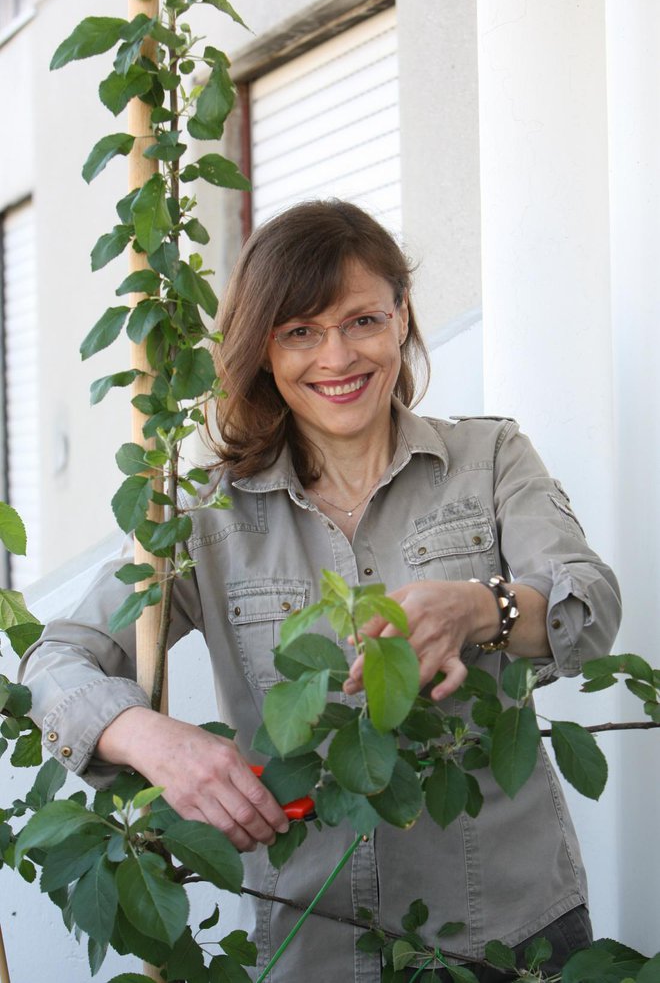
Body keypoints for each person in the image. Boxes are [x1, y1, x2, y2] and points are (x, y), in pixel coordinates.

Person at [20, 199, 621, 981]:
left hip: (508, 936)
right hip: (319, 946)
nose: (337, 357)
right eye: (301, 331)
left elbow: (589, 603)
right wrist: (154, 740)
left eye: (362, 320)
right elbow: (55, 659)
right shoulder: (203, 516)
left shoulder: (490, 456)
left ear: (401, 318)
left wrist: (480, 607)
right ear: (263, 349)